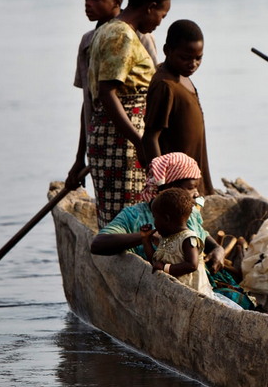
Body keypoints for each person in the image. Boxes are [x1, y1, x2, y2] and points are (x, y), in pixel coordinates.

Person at [91, 153, 253, 309]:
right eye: (190, 187)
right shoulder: (134, 216)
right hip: (156, 289)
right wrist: (144, 237)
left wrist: (219, 250)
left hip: (198, 283)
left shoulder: (189, 212)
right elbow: (98, 245)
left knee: (240, 302)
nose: (196, 193)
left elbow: (202, 237)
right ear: (169, 188)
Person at [87, 0, 172, 227]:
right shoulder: (120, 34)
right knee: (127, 217)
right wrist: (140, 142)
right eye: (162, 15)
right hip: (120, 142)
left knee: (131, 212)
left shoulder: (114, 30)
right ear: (150, 7)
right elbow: (108, 93)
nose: (159, 22)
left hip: (119, 138)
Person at [66, 0, 158, 190]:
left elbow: (155, 90)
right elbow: (89, 101)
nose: (88, 4)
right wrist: (80, 157)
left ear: (117, 2)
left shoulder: (140, 37)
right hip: (101, 143)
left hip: (133, 142)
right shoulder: (88, 41)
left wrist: (144, 143)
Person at [143, 19, 213, 195]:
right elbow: (151, 137)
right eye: (185, 58)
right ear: (167, 51)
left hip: (194, 181)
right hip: (177, 185)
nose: (193, 64)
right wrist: (162, 185)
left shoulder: (183, 77)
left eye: (199, 58)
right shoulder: (165, 85)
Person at [145, 187, 212, 296]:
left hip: (193, 296)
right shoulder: (166, 238)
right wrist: (145, 239)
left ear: (166, 219)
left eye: (155, 218)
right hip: (173, 294)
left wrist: (165, 268)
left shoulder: (188, 239)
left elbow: (192, 265)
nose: (154, 222)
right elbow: (155, 262)